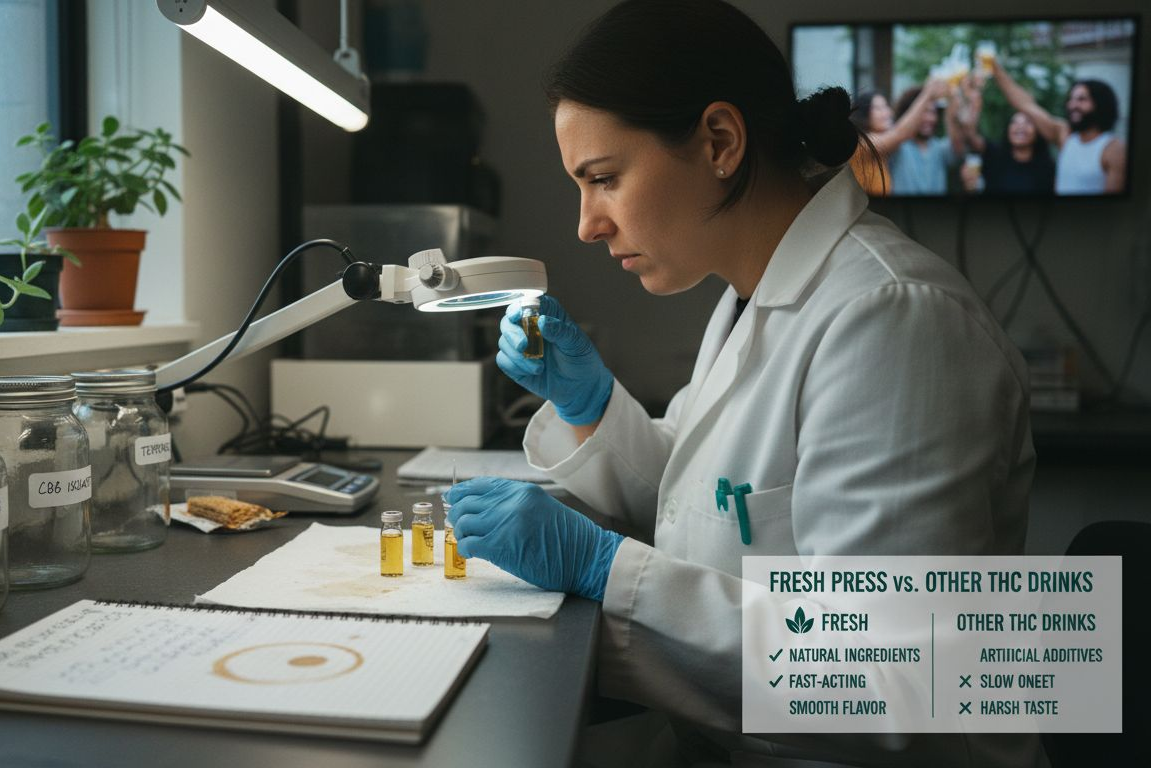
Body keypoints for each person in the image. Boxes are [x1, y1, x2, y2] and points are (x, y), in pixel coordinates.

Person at [445, 1, 1039, 765]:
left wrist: (602, 568)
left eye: (604, 178)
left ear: (720, 141)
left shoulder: (895, 319)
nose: (587, 224)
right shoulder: (749, 299)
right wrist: (589, 407)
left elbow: (886, 673)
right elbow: (711, 506)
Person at [990, 60, 1126, 194]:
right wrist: (995, 67)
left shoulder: (1113, 149)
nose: (1073, 105)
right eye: (1071, 99)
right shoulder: (1065, 135)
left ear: (1101, 104)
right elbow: (1025, 105)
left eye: (1082, 99)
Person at [957, 75, 1055, 195]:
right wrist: (973, 102)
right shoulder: (995, 155)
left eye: (1028, 122)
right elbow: (970, 136)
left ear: (1038, 131)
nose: (1020, 127)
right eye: (1015, 122)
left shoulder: (1047, 167)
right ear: (1008, 130)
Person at [848, 80, 945, 196]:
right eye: (879, 108)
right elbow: (900, 133)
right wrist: (927, 94)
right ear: (863, 114)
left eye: (886, 107)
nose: (887, 113)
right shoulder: (860, 142)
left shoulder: (887, 148)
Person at [887, 84, 965, 195]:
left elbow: (958, 147)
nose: (930, 118)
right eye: (923, 111)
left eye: (932, 112)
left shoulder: (939, 147)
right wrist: (928, 93)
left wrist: (953, 102)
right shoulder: (897, 146)